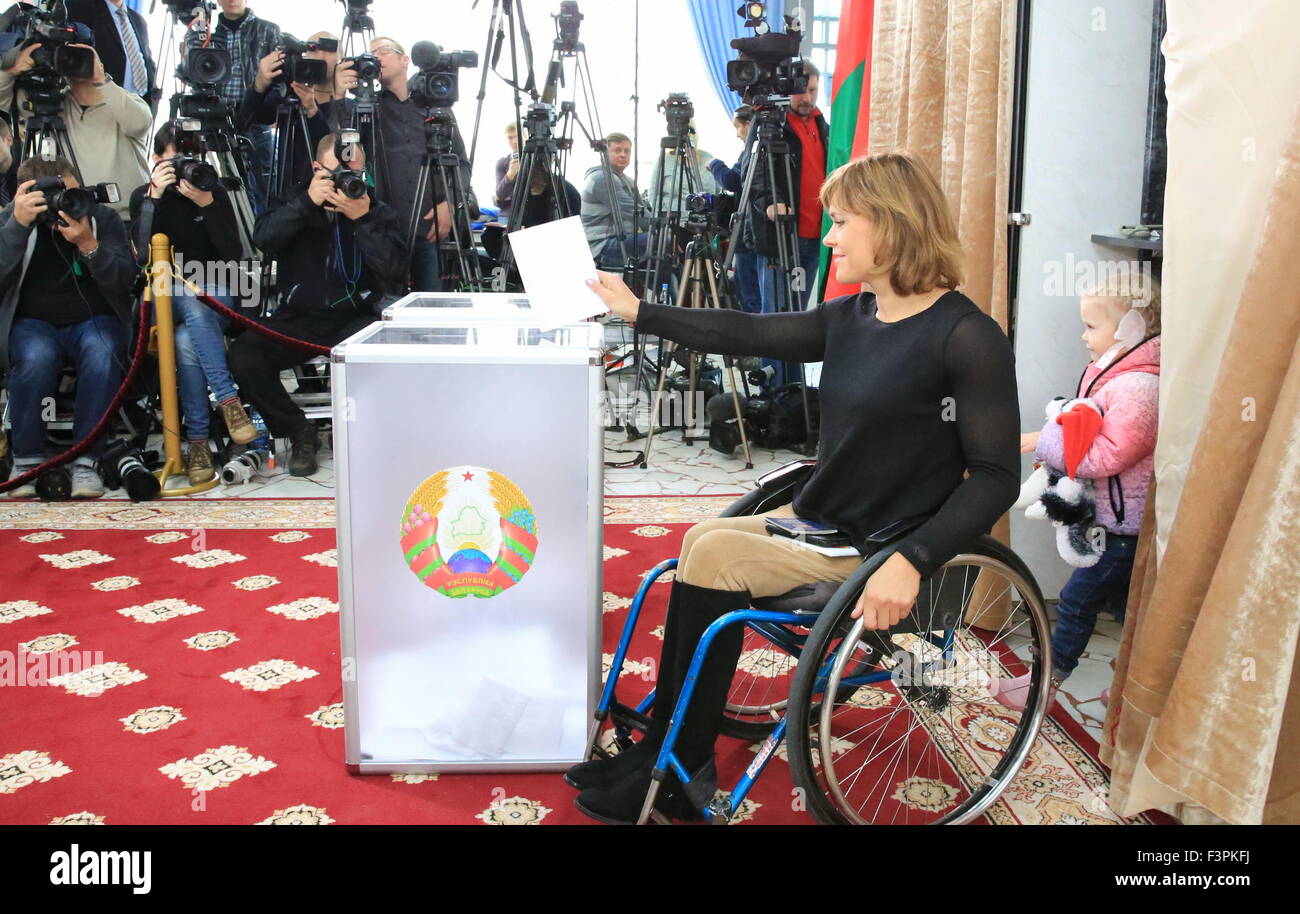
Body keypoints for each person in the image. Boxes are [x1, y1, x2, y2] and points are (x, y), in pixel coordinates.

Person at [572, 152, 1021, 823]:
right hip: (828, 518)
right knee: (700, 541)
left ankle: (678, 771)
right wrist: (640, 311)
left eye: (842, 222)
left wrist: (913, 559)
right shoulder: (853, 317)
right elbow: (748, 331)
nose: (831, 236)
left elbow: (994, 477)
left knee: (713, 553)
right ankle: (668, 752)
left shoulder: (967, 337)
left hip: (886, 543)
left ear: (892, 226)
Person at [995, 277, 1161, 710]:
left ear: (1130, 328)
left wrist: (1044, 440)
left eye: (1091, 326)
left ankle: (1045, 682)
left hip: (1120, 529)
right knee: (1128, 611)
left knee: (1074, 600)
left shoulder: (1139, 388)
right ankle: (1132, 694)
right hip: (1115, 524)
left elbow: (1108, 455)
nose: (1083, 336)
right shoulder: (1116, 377)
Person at [227, 133, 406, 477]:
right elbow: (263, 239)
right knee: (245, 354)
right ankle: (298, 431)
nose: (347, 182)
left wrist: (364, 220)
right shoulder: (294, 200)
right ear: (317, 169)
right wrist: (305, 204)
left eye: (354, 173)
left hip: (355, 319)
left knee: (387, 349)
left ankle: (361, 431)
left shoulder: (374, 208)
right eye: (338, 172)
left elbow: (395, 273)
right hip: (298, 317)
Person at [0, 155, 135, 498]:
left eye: (72, 194)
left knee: (102, 352)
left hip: (96, 319)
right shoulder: (11, 220)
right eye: (56, 198)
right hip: (32, 323)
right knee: (35, 358)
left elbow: (125, 281)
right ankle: (27, 460)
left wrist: (89, 244)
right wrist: (17, 226)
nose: (67, 204)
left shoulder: (101, 217)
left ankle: (87, 459)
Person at [130, 123, 252, 485]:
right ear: (156, 160)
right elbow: (140, 258)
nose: (187, 168)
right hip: (163, 292)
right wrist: (154, 198)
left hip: (214, 288)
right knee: (191, 306)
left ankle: (197, 441)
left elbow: (233, 254)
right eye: (177, 160)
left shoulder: (212, 192)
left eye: (194, 159)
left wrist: (209, 205)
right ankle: (229, 402)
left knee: (187, 337)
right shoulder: (144, 196)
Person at [332, 37, 472, 293]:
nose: (376, 57)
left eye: (383, 51)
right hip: (386, 231)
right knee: (387, 309)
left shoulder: (437, 104)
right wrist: (339, 96)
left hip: (431, 229)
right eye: (371, 53)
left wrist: (450, 204)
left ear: (405, 60)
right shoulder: (367, 109)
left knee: (432, 314)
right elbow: (347, 154)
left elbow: (462, 163)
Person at [0, 37, 150, 221]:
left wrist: (101, 79)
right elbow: (4, 102)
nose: (73, 61)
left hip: (126, 217)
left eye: (81, 56)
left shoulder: (124, 101)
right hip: (76, 213)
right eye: (66, 56)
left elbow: (139, 123)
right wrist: (10, 71)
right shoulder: (54, 105)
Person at [206, 0, 282, 216]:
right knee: (230, 187)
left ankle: (269, 242)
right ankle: (243, 242)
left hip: (257, 119)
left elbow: (279, 79)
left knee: (267, 186)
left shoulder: (268, 30)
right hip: (220, 121)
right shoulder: (207, 32)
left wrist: (269, 111)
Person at [239, 33, 338, 193]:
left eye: (329, 49)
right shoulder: (289, 99)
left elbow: (333, 149)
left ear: (342, 57)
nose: (321, 55)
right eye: (313, 48)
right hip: (290, 197)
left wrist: (312, 109)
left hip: (333, 194)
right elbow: (245, 121)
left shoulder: (346, 106)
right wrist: (260, 84)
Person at [707, 105, 761, 313]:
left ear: (748, 125)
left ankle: (751, 339)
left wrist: (714, 164)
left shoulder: (752, 151)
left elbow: (732, 180)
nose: (738, 135)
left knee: (749, 292)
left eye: (738, 128)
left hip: (748, 230)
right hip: (755, 230)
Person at [65, 0, 157, 111]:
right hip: (99, 112)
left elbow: (146, 63)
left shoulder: (139, 21)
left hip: (137, 111)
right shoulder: (79, 8)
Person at [580, 132, 650, 269]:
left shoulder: (627, 180)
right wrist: (661, 231)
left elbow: (642, 212)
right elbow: (635, 212)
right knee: (662, 241)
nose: (623, 154)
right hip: (601, 246)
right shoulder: (601, 178)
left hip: (620, 240)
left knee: (662, 253)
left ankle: (679, 288)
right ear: (605, 153)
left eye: (627, 151)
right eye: (617, 150)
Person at [494, 120, 519, 221]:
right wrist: (510, 174)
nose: (514, 141)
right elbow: (500, 194)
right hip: (508, 213)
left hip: (530, 211)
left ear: (524, 135)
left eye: (517, 136)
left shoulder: (536, 160)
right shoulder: (502, 162)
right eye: (510, 137)